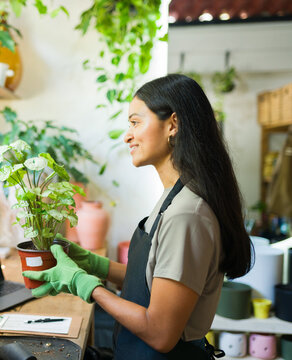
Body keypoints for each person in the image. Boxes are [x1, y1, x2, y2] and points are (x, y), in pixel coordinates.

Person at [23, 74, 252, 359]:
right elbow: (153, 283)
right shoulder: (174, 199)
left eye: (135, 122)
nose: (127, 135)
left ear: (172, 124)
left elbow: (160, 333)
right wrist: (94, 264)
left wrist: (84, 285)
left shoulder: (187, 215)